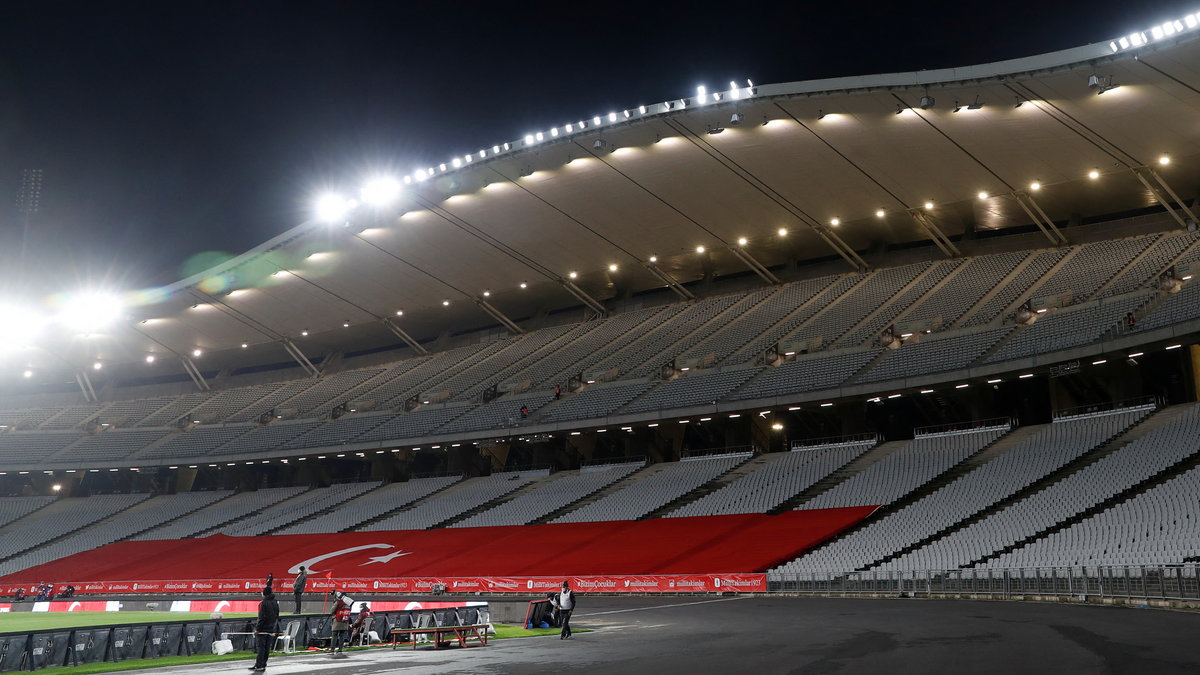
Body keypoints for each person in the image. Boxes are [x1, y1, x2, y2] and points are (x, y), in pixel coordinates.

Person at [250, 586, 279, 672]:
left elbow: (261, 617)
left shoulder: (264, 603)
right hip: (271, 628)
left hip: (263, 630)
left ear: (264, 593)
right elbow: (277, 614)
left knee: (261, 648)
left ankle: (259, 665)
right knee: (266, 648)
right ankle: (262, 664)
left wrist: (257, 629)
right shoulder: (275, 602)